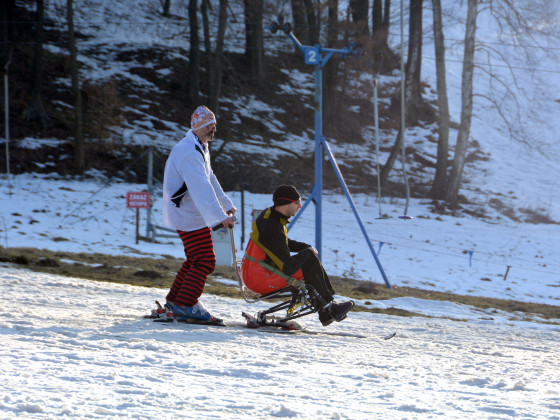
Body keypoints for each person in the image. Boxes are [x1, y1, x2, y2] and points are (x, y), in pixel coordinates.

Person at [162, 105, 236, 323]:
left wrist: (226, 204)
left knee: (194, 259)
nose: (213, 129)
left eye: (214, 125)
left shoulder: (199, 146)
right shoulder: (188, 152)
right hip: (187, 214)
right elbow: (201, 187)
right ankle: (185, 304)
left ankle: (174, 301)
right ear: (198, 126)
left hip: (192, 212)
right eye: (209, 126)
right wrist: (220, 217)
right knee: (205, 261)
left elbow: (209, 177)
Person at [248, 185, 354, 326]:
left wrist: (305, 247)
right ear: (286, 203)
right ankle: (328, 309)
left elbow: (281, 244)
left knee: (308, 257)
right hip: (260, 279)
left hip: (257, 270)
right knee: (309, 260)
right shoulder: (272, 228)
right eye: (296, 202)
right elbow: (288, 267)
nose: (300, 205)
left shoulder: (272, 216)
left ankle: (327, 308)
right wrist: (307, 253)